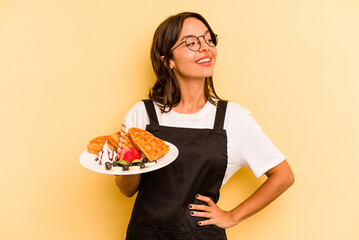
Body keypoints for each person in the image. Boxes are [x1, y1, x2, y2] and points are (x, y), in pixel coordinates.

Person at [115, 12, 294, 240]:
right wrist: (130, 159)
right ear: (167, 60)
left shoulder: (234, 118)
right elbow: (126, 189)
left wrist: (232, 216)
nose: (205, 48)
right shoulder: (142, 114)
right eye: (191, 43)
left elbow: (283, 175)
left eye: (209, 39)